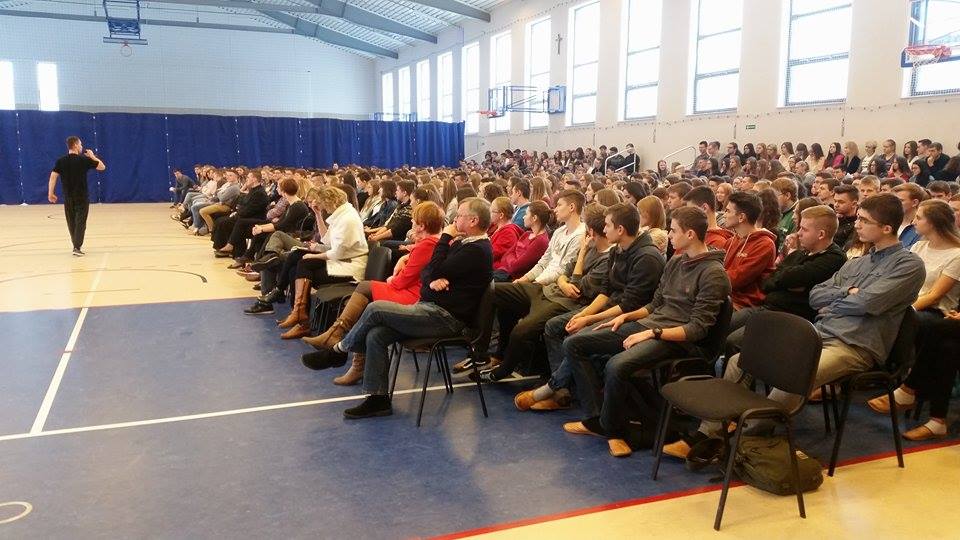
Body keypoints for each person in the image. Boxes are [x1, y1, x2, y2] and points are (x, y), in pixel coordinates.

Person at [667, 193, 925, 459]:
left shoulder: (909, 265)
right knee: (737, 362)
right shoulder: (858, 263)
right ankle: (710, 434)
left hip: (855, 345)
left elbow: (868, 303)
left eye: (864, 220)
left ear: (886, 228)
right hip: (819, 333)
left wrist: (841, 299)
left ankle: (744, 440)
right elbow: (816, 296)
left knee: (790, 375)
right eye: (858, 218)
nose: (856, 224)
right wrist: (849, 293)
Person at [302, 197, 495, 420]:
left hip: (445, 318)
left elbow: (433, 269)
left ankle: (338, 351)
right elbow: (428, 272)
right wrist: (433, 279)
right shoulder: (463, 244)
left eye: (459, 215)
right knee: (376, 334)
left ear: (473, 220)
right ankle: (378, 399)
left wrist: (444, 240)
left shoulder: (477, 250)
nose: (455, 220)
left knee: (375, 309)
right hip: (430, 308)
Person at [563, 207, 731, 456]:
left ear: (691, 234)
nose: (669, 235)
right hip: (652, 325)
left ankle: (612, 429)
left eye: (673, 230)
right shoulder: (676, 261)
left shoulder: (714, 274)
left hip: (678, 339)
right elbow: (655, 304)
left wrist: (653, 333)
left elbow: (697, 329)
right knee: (574, 343)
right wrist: (625, 316)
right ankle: (599, 419)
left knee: (616, 365)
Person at [302, 202, 445, 385]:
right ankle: (351, 357)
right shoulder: (431, 243)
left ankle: (339, 341)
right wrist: (404, 258)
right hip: (411, 290)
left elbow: (402, 280)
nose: (411, 222)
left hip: (413, 295)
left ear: (422, 226)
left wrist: (392, 278)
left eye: (414, 221)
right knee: (364, 301)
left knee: (365, 289)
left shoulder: (427, 245)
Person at [866, 199, 960, 440]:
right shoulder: (919, 246)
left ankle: (908, 387)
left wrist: (903, 309)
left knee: (933, 327)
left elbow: (935, 295)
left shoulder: (957, 255)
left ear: (934, 222)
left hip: (932, 310)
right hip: (934, 317)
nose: (914, 222)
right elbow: (902, 278)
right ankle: (937, 420)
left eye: (919, 217)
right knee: (948, 347)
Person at [277, 186, 369, 339]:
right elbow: (326, 240)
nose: (323, 207)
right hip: (342, 260)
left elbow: (337, 253)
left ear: (331, 202)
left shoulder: (348, 219)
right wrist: (318, 215)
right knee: (297, 262)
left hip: (351, 268)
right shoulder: (341, 215)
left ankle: (301, 317)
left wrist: (314, 256)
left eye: (323, 204)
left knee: (303, 264)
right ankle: (299, 315)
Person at [48, 136, 106, 256]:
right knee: (80, 222)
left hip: (68, 197)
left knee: (71, 222)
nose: (81, 146)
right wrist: (92, 156)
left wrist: (50, 193)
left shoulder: (61, 161)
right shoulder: (83, 160)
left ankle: (75, 245)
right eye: (80, 144)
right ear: (75, 145)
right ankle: (77, 246)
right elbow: (102, 167)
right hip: (82, 196)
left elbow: (53, 176)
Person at [721, 191, 777, 310]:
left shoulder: (765, 244)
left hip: (743, 305)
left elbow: (737, 279)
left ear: (741, 217)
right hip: (723, 297)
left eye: (728, 211)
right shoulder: (731, 241)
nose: (724, 215)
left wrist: (709, 278)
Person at [892, 183, 926, 248]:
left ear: (915, 203)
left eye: (900, 201)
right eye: (893, 200)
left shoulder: (923, 227)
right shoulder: (888, 222)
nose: (894, 204)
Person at [832, 184, 859, 250]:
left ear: (854, 204)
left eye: (841, 202)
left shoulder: (858, 225)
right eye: (835, 201)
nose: (836, 205)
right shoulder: (832, 218)